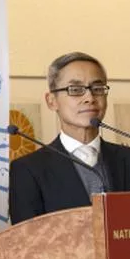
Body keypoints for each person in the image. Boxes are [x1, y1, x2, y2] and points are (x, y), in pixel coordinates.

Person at [9, 52, 130, 224]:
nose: (89, 98)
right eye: (75, 90)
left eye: (97, 89)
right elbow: (27, 238)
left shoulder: (126, 158)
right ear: (51, 101)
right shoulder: (28, 170)